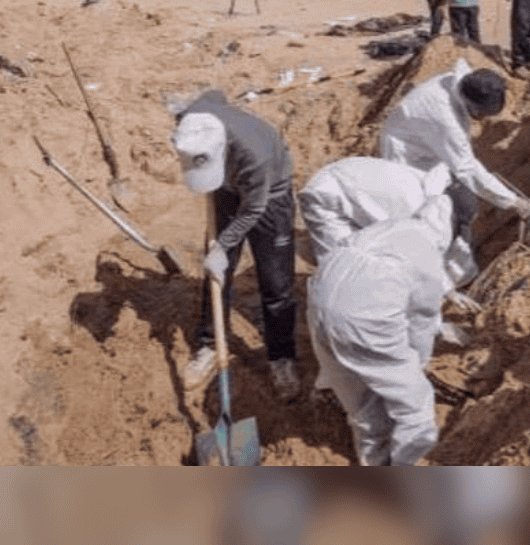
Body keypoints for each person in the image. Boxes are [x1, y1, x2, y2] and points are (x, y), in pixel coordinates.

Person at [306, 195, 453, 465]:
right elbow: (423, 320)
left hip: (319, 300)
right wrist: (415, 367)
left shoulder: (388, 228)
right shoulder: (427, 253)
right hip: (365, 316)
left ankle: (373, 464)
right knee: (415, 407)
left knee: (361, 407)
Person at [172, 90, 300, 399]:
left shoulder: (256, 156)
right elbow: (215, 94)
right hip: (227, 187)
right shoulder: (193, 123)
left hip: (269, 199)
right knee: (216, 273)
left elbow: (253, 210)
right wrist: (219, 254)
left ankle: (281, 358)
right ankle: (210, 344)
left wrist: (221, 245)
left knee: (275, 283)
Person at [380, 60, 530, 269]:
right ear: (469, 102)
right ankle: (426, 269)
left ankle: (459, 258)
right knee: (422, 214)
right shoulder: (445, 118)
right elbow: (466, 168)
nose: (480, 119)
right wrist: (512, 202)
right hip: (408, 156)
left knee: (463, 205)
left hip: (431, 148)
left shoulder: (464, 84)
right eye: (481, 113)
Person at [299, 157, 479, 287]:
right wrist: (446, 293)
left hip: (350, 174)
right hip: (328, 195)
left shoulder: (430, 188)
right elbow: (409, 264)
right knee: (345, 272)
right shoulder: (412, 210)